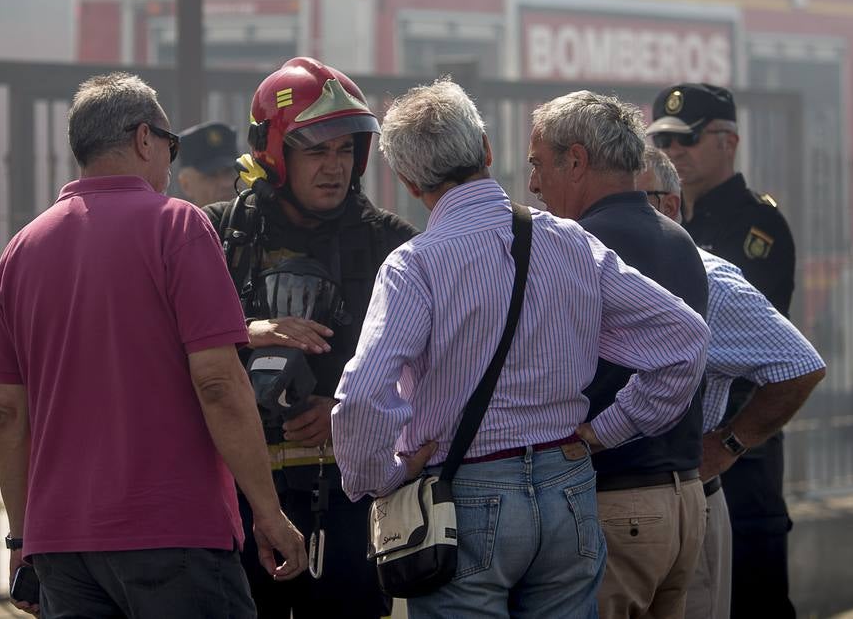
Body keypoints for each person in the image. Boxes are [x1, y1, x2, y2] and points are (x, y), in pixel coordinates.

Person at [333, 79, 710, 619]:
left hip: (466, 495)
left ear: (409, 181)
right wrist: (610, 429)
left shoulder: (415, 265)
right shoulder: (569, 241)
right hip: (569, 488)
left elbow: (364, 395)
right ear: (486, 149)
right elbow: (686, 339)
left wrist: (382, 475)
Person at [0, 72, 306, 618]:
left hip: (63, 549)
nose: (170, 164)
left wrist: (23, 542)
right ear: (143, 139)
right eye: (170, 146)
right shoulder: (176, 226)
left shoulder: (21, 251)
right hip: (173, 533)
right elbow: (218, 382)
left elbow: (8, 414)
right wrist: (268, 512)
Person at [202, 57, 418, 619]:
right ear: (275, 153)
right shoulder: (217, 235)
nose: (334, 167)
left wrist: (348, 413)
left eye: (345, 150)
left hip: (347, 505)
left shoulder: (390, 245)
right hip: (237, 503)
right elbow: (164, 344)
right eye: (316, 150)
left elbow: (442, 368)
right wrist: (250, 331)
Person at [528, 91, 710, 619]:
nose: (534, 185)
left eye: (539, 165)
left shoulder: (579, 246)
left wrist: (601, 432)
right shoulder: (680, 240)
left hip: (617, 504)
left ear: (577, 161)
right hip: (681, 504)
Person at [639, 146, 825, 619]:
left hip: (692, 496)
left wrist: (727, 444)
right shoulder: (588, 272)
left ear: (670, 205)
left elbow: (799, 364)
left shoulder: (710, 278)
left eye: (634, 200)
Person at [177, 120, 243, 207]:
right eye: (211, 175)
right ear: (186, 185)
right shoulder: (177, 221)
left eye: (229, 172)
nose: (227, 183)